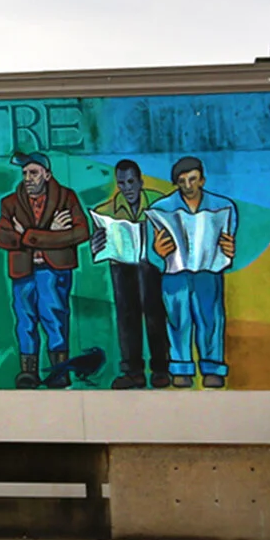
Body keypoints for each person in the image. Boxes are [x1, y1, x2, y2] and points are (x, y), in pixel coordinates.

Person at [0, 152, 90, 389]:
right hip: (23, 271)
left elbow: (80, 233)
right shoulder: (10, 202)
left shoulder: (66, 197)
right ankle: (29, 372)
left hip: (54, 270)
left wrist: (27, 235)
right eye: (25, 173)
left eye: (34, 173)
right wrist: (52, 233)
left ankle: (59, 371)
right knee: (25, 321)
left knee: (55, 318)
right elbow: (3, 237)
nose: (28, 178)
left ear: (47, 174)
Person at [146, 157, 237, 389]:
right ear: (176, 183)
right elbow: (150, 251)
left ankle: (212, 368)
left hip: (208, 271)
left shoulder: (222, 206)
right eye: (182, 181)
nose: (188, 185)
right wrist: (158, 253)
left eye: (193, 179)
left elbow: (231, 240)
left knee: (211, 319)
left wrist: (230, 252)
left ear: (202, 179)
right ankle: (181, 368)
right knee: (178, 319)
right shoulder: (160, 209)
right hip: (175, 272)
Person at [89, 160, 172, 390]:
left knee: (155, 313)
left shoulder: (158, 202)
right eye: (121, 183)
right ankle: (133, 370)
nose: (126, 188)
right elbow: (98, 242)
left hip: (150, 265)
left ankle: (160, 368)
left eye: (130, 182)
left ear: (140, 181)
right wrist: (96, 244)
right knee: (127, 317)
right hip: (122, 266)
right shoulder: (106, 210)